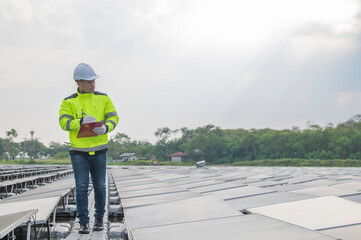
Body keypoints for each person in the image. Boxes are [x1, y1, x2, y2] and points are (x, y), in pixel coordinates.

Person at [59, 63, 119, 234]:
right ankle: (84, 221)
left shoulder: (104, 98)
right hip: (79, 152)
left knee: (100, 186)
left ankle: (99, 218)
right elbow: (63, 122)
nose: (93, 84)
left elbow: (114, 117)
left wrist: (106, 127)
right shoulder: (68, 102)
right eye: (89, 82)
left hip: (99, 150)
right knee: (82, 187)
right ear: (78, 82)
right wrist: (79, 123)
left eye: (94, 81)